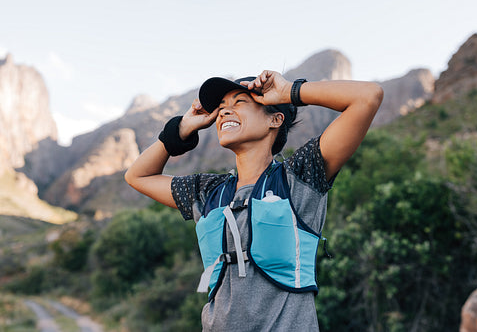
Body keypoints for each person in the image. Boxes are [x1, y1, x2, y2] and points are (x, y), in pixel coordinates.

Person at [125, 70, 383, 331]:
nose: (224, 112)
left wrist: (288, 92)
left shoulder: (300, 175)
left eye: (239, 103)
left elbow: (368, 96)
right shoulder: (207, 191)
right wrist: (181, 128)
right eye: (222, 107)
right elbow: (137, 176)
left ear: (275, 120)